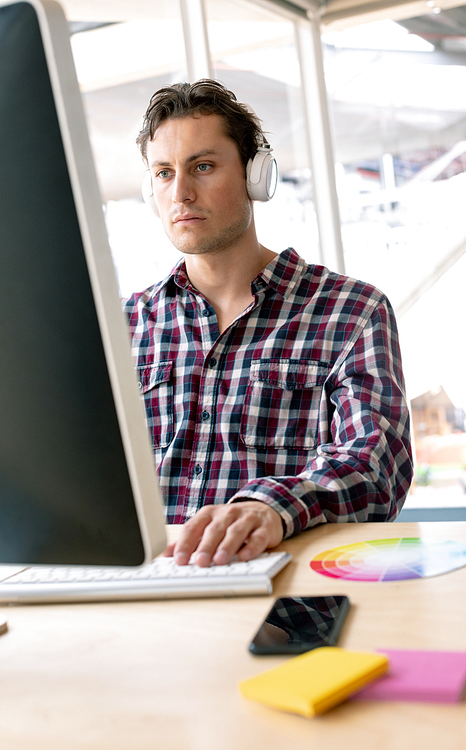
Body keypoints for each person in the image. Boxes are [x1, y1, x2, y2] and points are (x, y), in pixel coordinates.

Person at [125, 79, 413, 568]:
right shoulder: (123, 327)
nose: (182, 193)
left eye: (203, 166)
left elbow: (376, 466)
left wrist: (272, 508)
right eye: (164, 173)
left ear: (257, 177)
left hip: (282, 600)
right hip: (140, 596)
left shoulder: (352, 311)